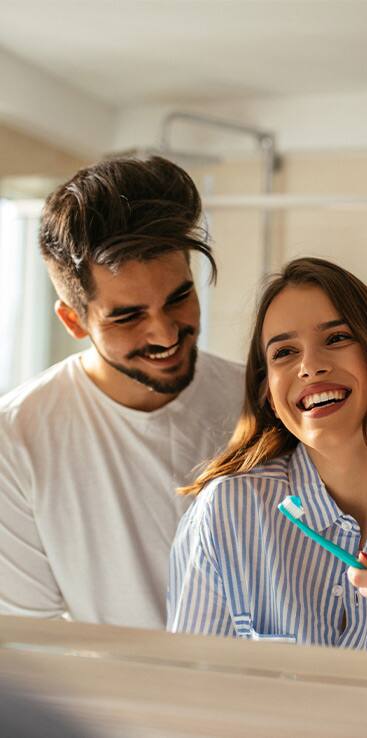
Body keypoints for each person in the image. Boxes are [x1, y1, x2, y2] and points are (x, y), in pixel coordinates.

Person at [0, 156, 244, 628]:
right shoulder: (17, 438)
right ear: (74, 321)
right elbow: (30, 639)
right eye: (128, 316)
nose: (166, 334)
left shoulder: (261, 400)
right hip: (110, 697)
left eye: (179, 298)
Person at [168, 257, 367, 654]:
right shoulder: (228, 512)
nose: (311, 366)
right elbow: (191, 690)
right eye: (284, 352)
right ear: (267, 390)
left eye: (337, 338)